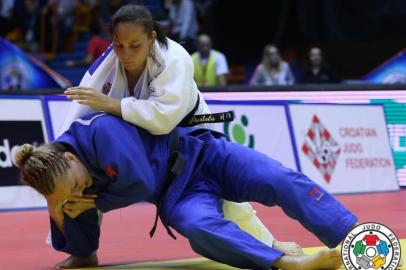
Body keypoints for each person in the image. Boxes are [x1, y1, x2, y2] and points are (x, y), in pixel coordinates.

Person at [60, 3, 294, 268]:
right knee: (81, 180)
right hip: (141, 138)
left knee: (222, 192)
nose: (125, 53)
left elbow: (163, 118)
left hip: (188, 129)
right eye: (119, 45)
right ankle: (83, 251)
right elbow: (77, 120)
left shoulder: (174, 57)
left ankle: (270, 245)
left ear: (151, 39)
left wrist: (111, 105)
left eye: (135, 45)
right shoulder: (104, 70)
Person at [16, 113, 357, 270]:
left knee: (279, 179)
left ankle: (353, 236)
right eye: (71, 194)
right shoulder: (70, 190)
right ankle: (285, 264)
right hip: (178, 196)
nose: (82, 191)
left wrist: (94, 202)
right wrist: (58, 209)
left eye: (77, 183)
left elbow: (142, 184)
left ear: (70, 156)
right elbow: (85, 252)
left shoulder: (100, 132)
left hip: (205, 155)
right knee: (198, 227)